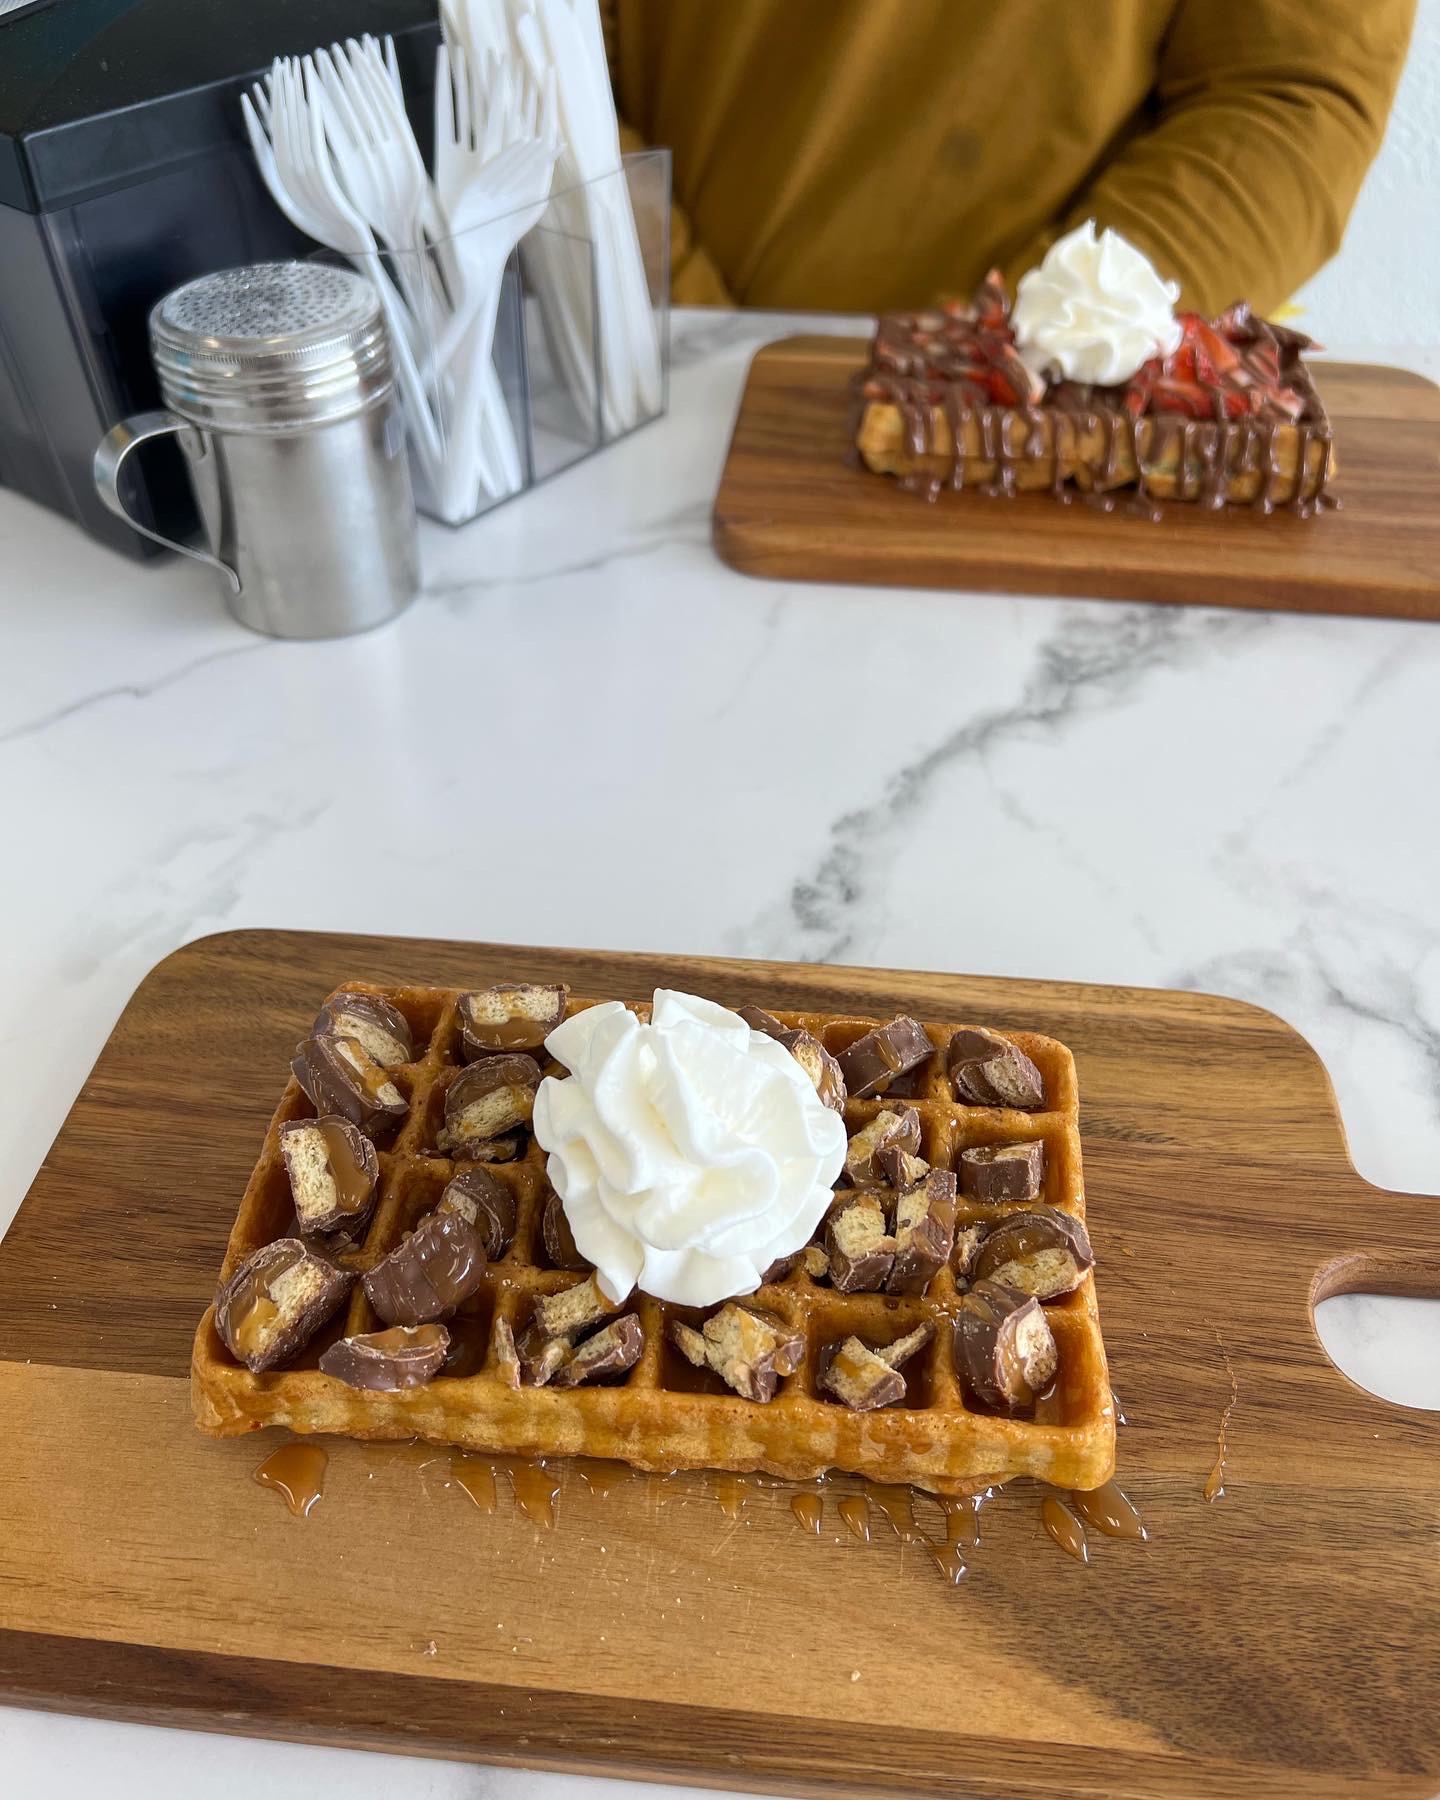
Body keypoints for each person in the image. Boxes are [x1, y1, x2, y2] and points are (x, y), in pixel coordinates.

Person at [603, 0, 1417, 315]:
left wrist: (1030, 362)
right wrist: (671, 316)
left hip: (1064, 443)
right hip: (627, 392)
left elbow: (1287, 92)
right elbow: (546, 45)